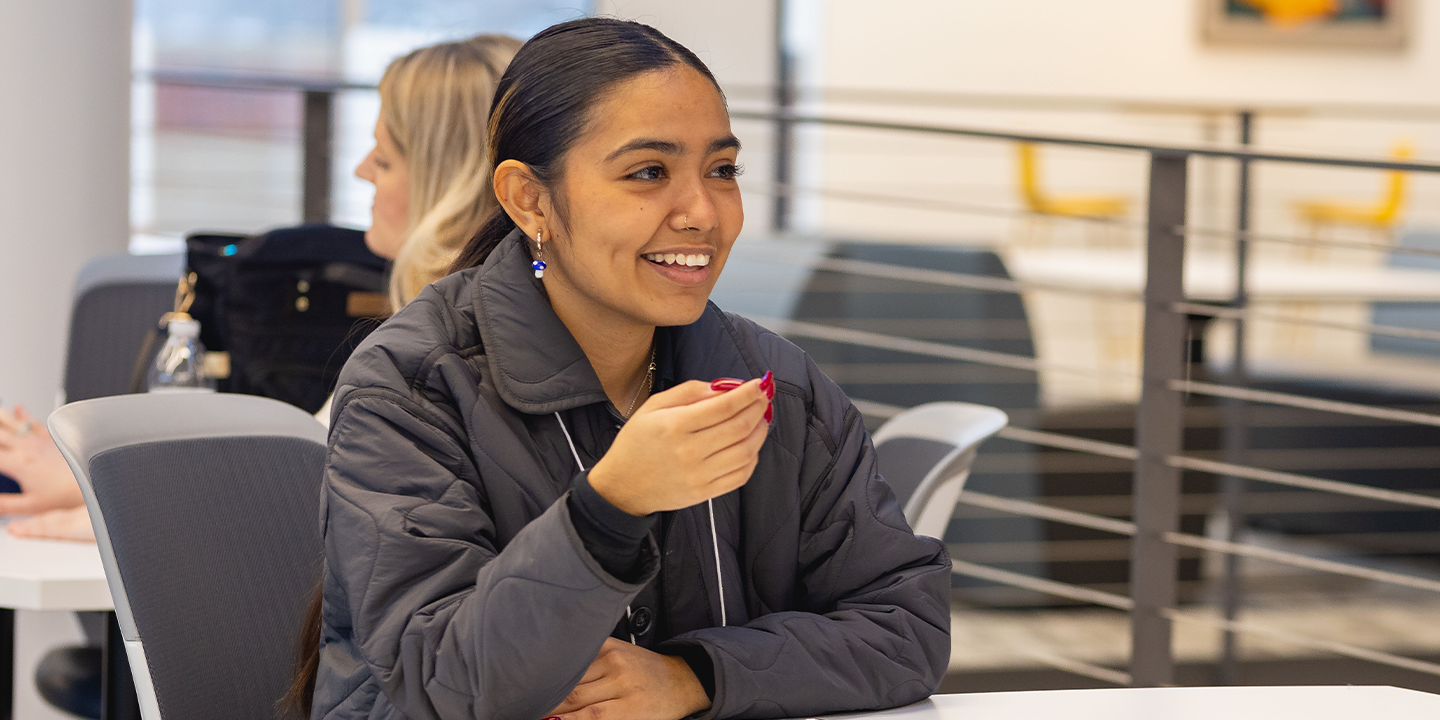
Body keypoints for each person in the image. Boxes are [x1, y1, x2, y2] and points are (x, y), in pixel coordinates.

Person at [307, 17, 950, 720]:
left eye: (722, 170)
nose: (702, 212)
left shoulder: (774, 382)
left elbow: (906, 628)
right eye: (648, 172)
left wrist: (692, 677)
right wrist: (607, 509)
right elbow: (442, 686)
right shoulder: (410, 388)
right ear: (529, 199)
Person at [0, 33, 521, 544]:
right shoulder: (486, 332)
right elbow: (306, 480)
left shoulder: (436, 358)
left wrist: (113, 506)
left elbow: (308, 505)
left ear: (447, 186)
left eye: (383, 160)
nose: (362, 171)